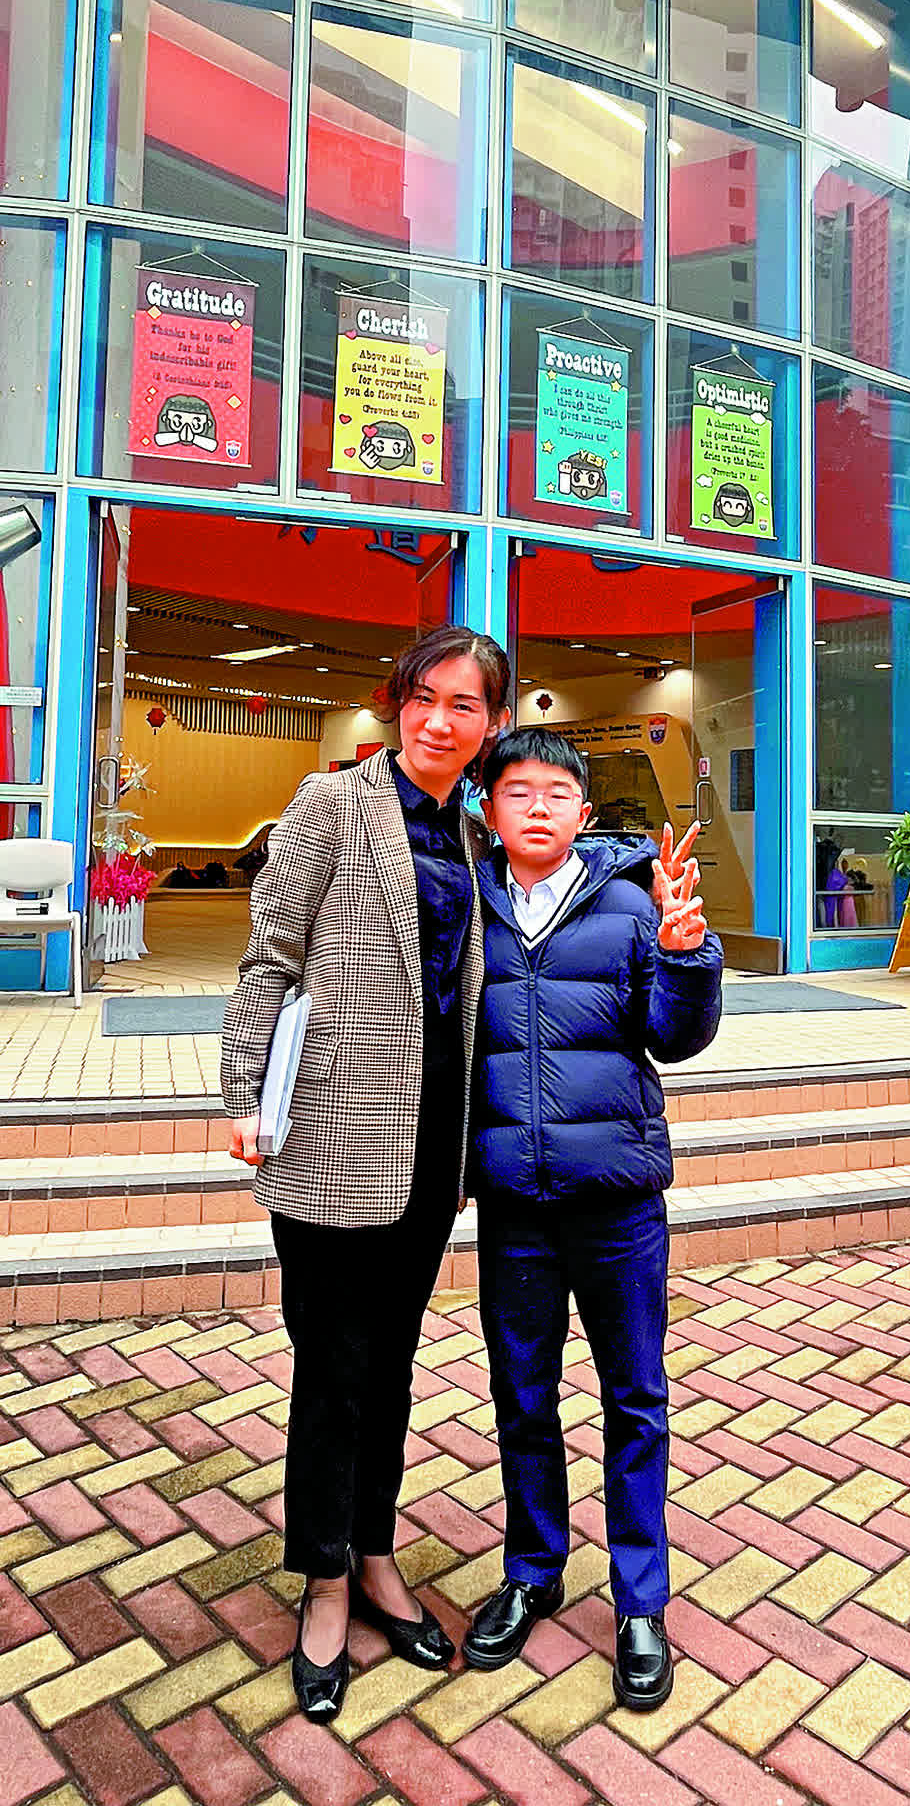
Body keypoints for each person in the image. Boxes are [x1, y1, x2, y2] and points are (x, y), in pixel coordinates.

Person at [219, 625, 511, 1725]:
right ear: (397, 700)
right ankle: (327, 1580)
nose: (439, 720)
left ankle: (378, 1551)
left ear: (491, 724)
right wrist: (243, 1095)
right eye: (424, 697)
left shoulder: (473, 833)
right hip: (334, 1127)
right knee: (333, 1366)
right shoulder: (332, 804)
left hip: (433, 1141)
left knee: (390, 1364)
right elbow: (270, 956)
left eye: (465, 705)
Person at [459, 728, 723, 1710]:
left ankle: (639, 1600)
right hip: (514, 1206)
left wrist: (687, 958)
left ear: (582, 810)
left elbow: (673, 1037)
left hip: (616, 1200)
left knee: (634, 1398)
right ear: (489, 809)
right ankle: (532, 1571)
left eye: (556, 792)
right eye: (516, 791)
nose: (537, 807)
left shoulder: (631, 903)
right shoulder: (465, 908)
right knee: (522, 1395)